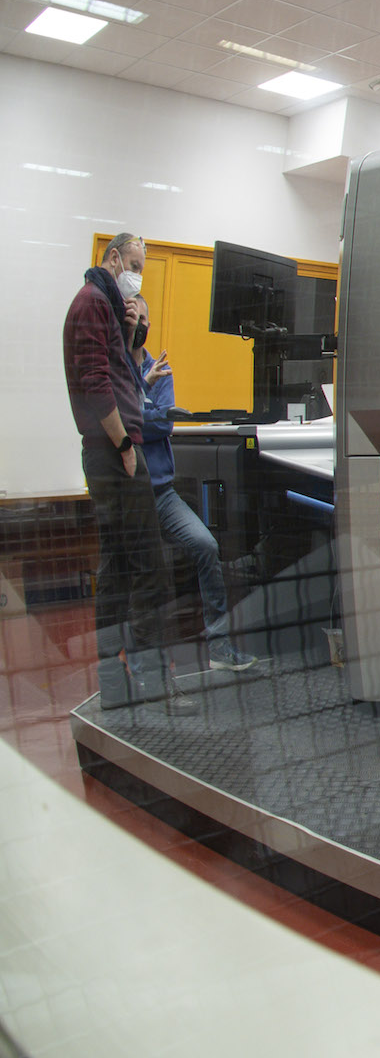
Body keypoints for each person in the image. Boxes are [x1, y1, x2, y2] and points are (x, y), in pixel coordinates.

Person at [62, 232, 182, 707]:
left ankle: (114, 683)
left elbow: (119, 379)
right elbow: (95, 384)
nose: (137, 276)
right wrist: (125, 443)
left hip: (106, 453)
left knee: (116, 570)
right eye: (133, 265)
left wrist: (130, 336)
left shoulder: (103, 306)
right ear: (113, 258)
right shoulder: (93, 302)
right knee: (150, 568)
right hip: (114, 453)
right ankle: (154, 682)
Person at [126, 293, 258, 673]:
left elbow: (162, 425)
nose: (140, 324)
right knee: (139, 574)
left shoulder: (160, 369)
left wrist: (141, 414)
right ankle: (142, 667)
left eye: (144, 318)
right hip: (131, 495)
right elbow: (125, 424)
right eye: (134, 318)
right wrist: (144, 410)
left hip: (162, 494)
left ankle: (219, 646)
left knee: (205, 546)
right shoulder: (118, 370)